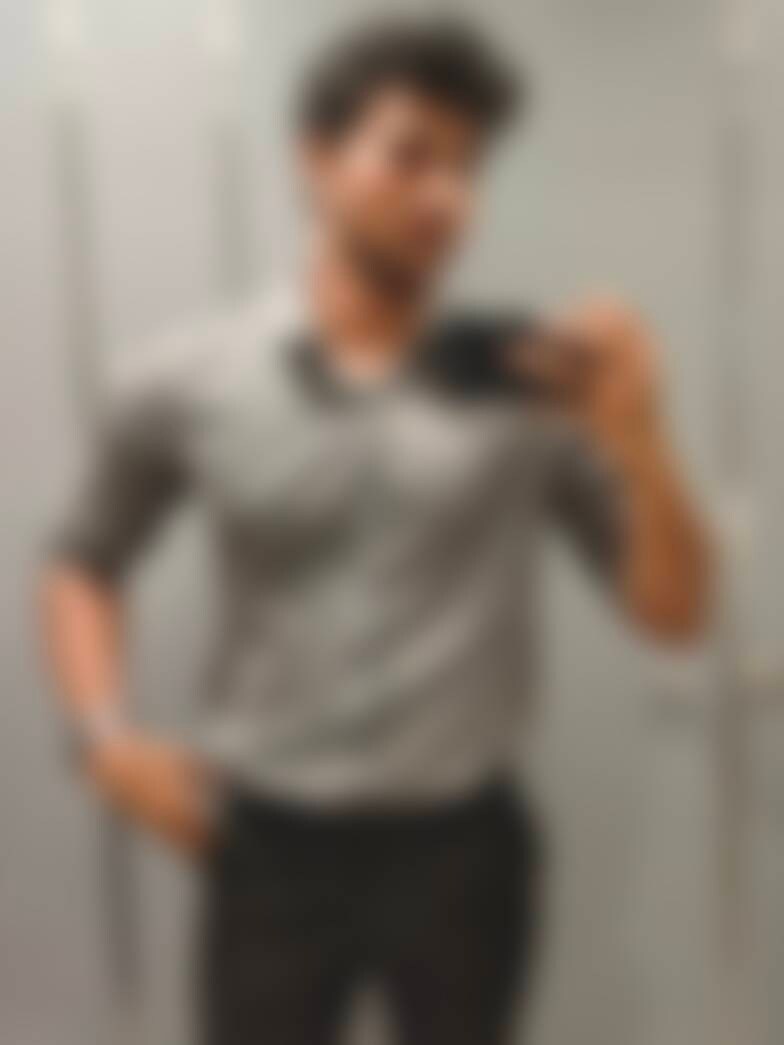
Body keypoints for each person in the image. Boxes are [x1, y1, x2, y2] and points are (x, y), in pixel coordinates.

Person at [40, 16, 711, 1045]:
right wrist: (104, 738)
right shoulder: (188, 379)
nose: (446, 195)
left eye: (467, 167)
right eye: (411, 155)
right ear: (315, 158)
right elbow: (85, 555)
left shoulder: (535, 387)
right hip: (265, 845)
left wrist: (646, 445)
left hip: (461, 850)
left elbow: (673, 617)